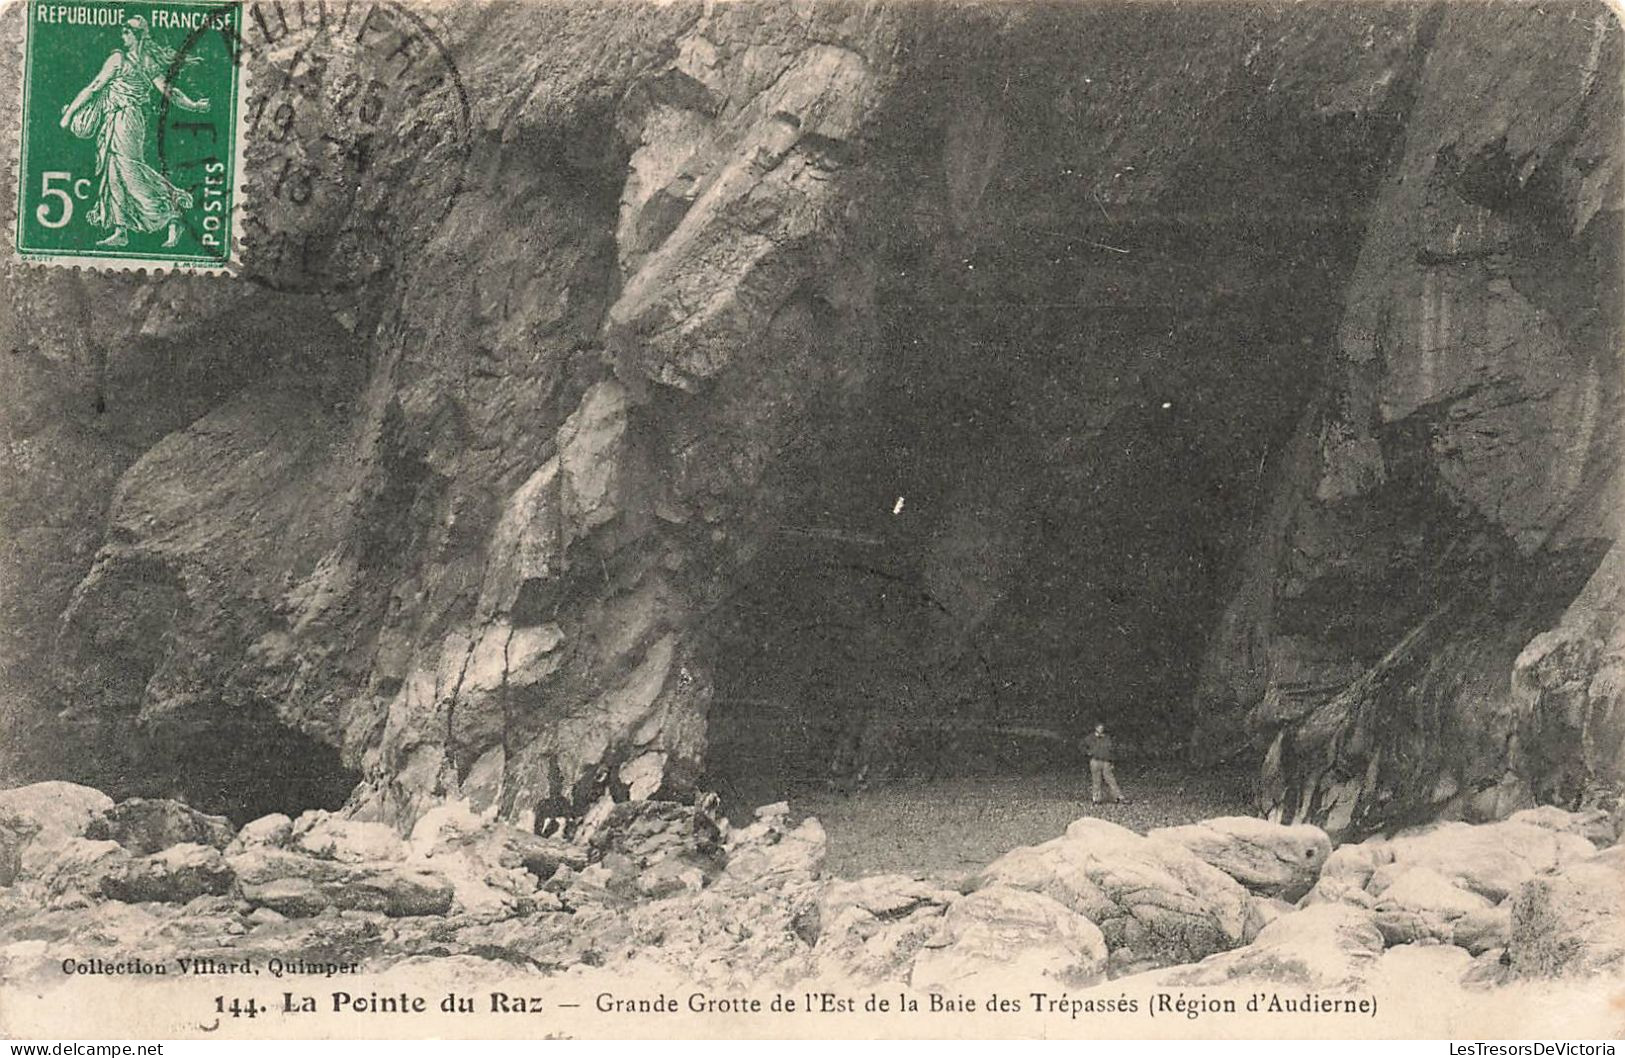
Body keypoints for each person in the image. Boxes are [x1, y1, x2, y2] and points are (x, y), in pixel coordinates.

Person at [58, 17, 211, 249]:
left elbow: (94, 87)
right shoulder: (139, 60)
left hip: (126, 121)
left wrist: (69, 115)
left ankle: (172, 213)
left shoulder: (123, 60)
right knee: (114, 173)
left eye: (127, 31)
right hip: (117, 120)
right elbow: (169, 91)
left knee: (129, 171)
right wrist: (195, 105)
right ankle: (121, 230)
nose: (123, 35)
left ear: (136, 35)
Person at [1083, 722, 1127, 804]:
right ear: (1095, 728)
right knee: (1096, 780)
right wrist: (1088, 752)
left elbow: (1112, 750)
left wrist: (1112, 761)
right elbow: (1082, 746)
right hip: (1095, 761)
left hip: (1106, 761)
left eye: (1102, 728)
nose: (1101, 729)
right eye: (1099, 728)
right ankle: (1096, 799)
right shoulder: (1090, 737)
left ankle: (1118, 797)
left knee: (1110, 779)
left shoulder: (1107, 738)